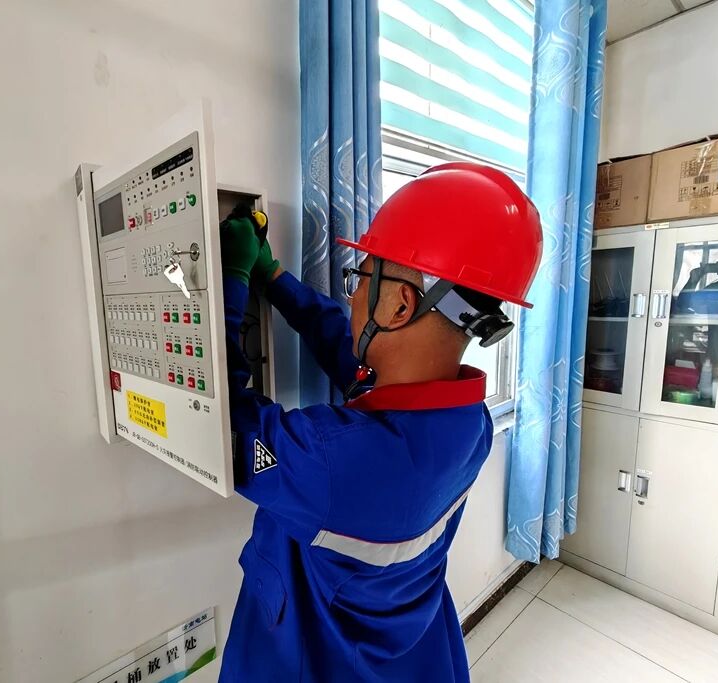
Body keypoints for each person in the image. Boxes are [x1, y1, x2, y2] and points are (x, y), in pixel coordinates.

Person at [217, 162, 543, 682]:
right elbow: (349, 350)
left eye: (361, 279)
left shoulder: (333, 462)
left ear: (399, 304)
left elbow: (224, 420)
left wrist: (233, 281)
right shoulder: (469, 424)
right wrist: (274, 279)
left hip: (307, 657)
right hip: (404, 653)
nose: (351, 296)